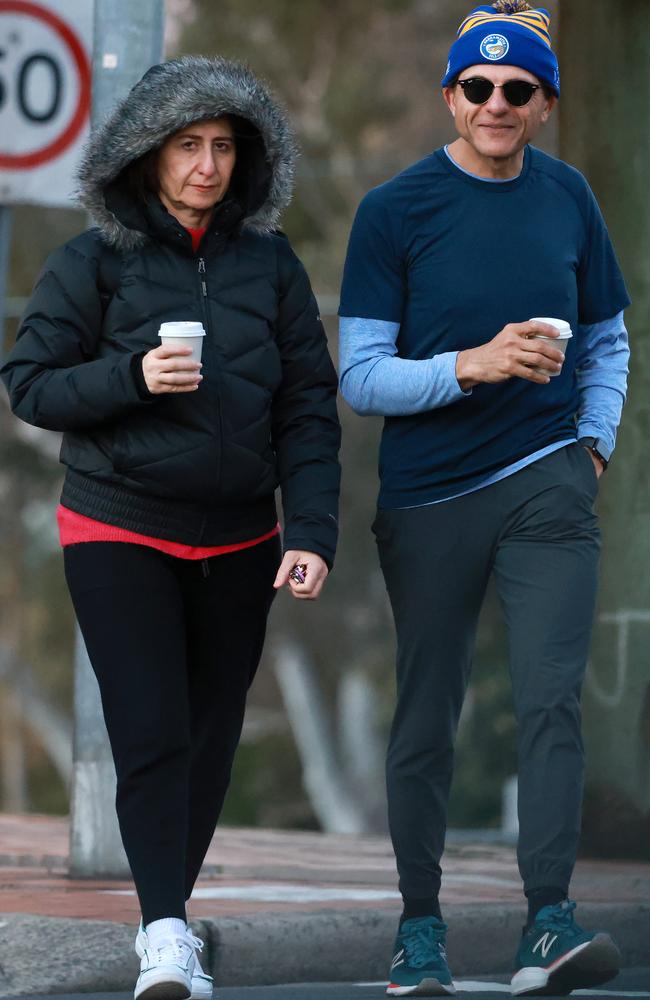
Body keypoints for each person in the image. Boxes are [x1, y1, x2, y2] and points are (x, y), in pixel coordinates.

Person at [1, 56, 340, 1000]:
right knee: (149, 731)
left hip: (240, 537)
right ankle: (162, 936)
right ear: (146, 156)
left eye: (225, 147)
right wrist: (131, 378)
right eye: (188, 146)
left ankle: (169, 913)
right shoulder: (91, 262)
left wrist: (309, 528)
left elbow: (310, 404)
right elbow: (29, 385)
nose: (206, 166)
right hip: (118, 525)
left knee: (208, 739)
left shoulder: (270, 266)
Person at [338, 3, 629, 996]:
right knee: (427, 711)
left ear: (543, 105)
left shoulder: (568, 198)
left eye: (517, 90)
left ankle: (545, 921)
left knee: (551, 699)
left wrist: (591, 442)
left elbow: (607, 338)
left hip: (547, 477)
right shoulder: (393, 210)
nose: (494, 103)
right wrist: (471, 364)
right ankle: (416, 930)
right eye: (477, 87)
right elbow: (360, 376)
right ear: (449, 97)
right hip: (427, 496)